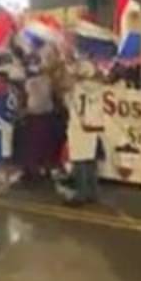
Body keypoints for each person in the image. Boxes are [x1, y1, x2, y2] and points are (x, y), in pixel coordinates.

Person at [57, 63, 105, 206]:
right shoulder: (97, 88)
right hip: (93, 126)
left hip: (78, 127)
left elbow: (67, 102)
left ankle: (81, 194)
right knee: (90, 160)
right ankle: (93, 192)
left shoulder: (77, 89)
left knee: (79, 161)